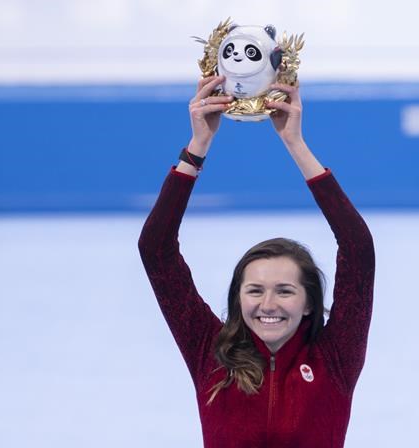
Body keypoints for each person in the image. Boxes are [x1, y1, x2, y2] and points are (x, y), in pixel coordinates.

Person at [138, 75, 375, 447]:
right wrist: (197, 146)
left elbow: (358, 249)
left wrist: (295, 143)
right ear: (238, 298)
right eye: (255, 290)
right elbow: (156, 249)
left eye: (284, 290)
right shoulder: (210, 353)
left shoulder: (335, 357)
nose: (268, 304)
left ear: (309, 302)